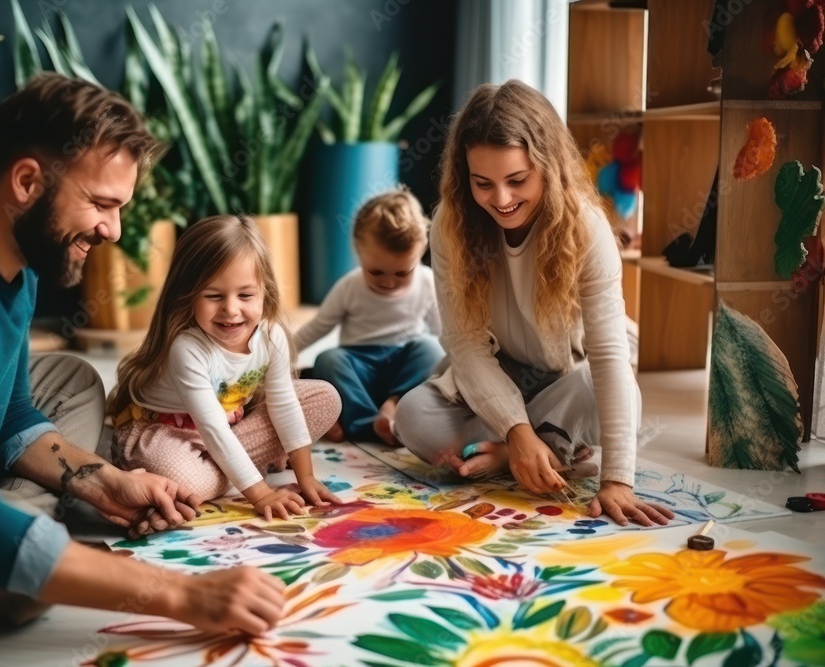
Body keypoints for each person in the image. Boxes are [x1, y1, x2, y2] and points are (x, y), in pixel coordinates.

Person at [0, 73, 285, 632]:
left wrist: (101, 480)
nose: (113, 231)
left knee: (71, 376)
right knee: (18, 582)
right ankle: (13, 527)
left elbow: (14, 413)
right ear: (26, 182)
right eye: (100, 204)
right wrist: (185, 596)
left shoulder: (18, 252)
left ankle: (20, 522)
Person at [394, 80, 675, 527]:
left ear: (547, 166)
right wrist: (516, 427)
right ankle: (540, 445)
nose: (501, 200)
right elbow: (466, 345)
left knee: (602, 396)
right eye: (483, 183)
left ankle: (516, 453)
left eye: (517, 180)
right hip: (502, 370)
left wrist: (617, 480)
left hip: (571, 375)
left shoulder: (586, 226)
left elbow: (607, 356)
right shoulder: (449, 223)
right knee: (413, 417)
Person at [107, 215, 343, 521]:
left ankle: (228, 465)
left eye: (245, 295)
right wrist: (261, 493)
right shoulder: (187, 349)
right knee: (186, 481)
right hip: (164, 432)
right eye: (214, 296)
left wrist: (306, 476)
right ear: (189, 296)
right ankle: (235, 467)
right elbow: (213, 430)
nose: (231, 310)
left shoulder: (271, 336)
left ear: (264, 291)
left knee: (325, 397)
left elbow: (283, 403)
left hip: (228, 427)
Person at [294, 187, 443, 446]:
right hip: (359, 371)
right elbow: (317, 328)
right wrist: (277, 356)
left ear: (420, 253)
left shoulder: (428, 283)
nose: (388, 282)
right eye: (376, 272)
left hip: (404, 372)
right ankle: (369, 424)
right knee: (328, 359)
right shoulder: (349, 287)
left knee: (431, 350)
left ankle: (393, 406)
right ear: (358, 252)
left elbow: (445, 336)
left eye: (401, 273)